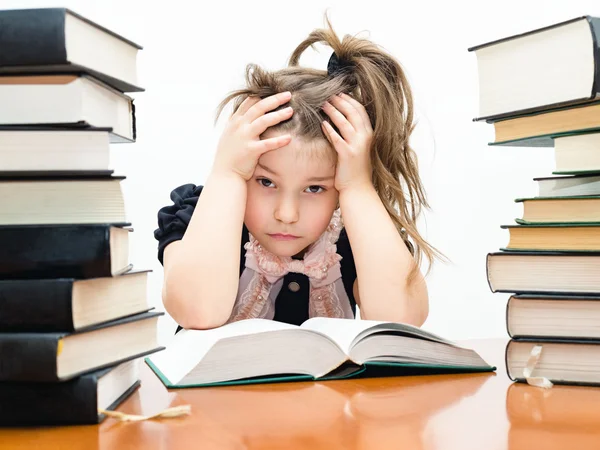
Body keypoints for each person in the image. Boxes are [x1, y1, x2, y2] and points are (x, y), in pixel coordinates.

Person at [154, 15, 441, 330]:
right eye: (266, 182)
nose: (286, 214)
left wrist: (358, 187)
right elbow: (197, 311)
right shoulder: (198, 215)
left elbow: (400, 322)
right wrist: (226, 172)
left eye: (315, 189)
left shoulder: (354, 233)